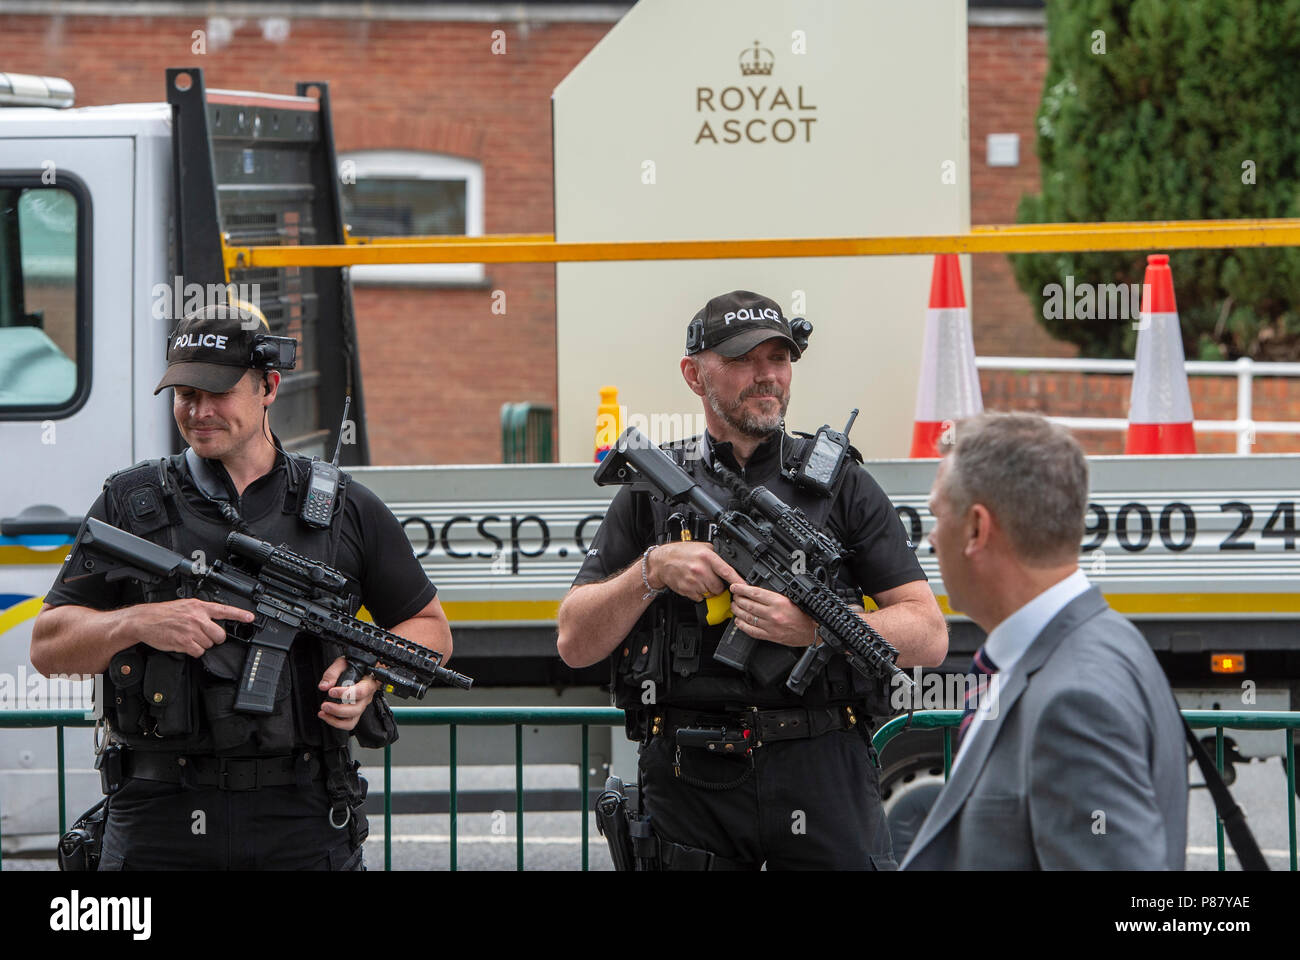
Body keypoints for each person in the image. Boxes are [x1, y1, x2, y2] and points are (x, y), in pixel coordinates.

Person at [31, 302, 453, 870]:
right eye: (186, 394)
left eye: (218, 393)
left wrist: (367, 677)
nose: (199, 411)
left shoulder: (345, 507)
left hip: (300, 819)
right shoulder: (130, 503)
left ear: (268, 387)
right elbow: (48, 645)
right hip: (158, 821)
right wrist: (138, 622)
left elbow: (430, 631)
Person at [558, 290, 947, 870]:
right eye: (744, 360)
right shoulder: (652, 490)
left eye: (779, 359)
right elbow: (573, 641)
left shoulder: (843, 484)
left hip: (822, 766)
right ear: (694, 374)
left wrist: (814, 630)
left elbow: (928, 633)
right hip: (692, 774)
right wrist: (652, 571)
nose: (767, 376)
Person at [900, 413, 1187, 870]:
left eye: (937, 515)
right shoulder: (1108, 639)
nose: (931, 540)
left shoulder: (1075, 699)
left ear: (977, 528)